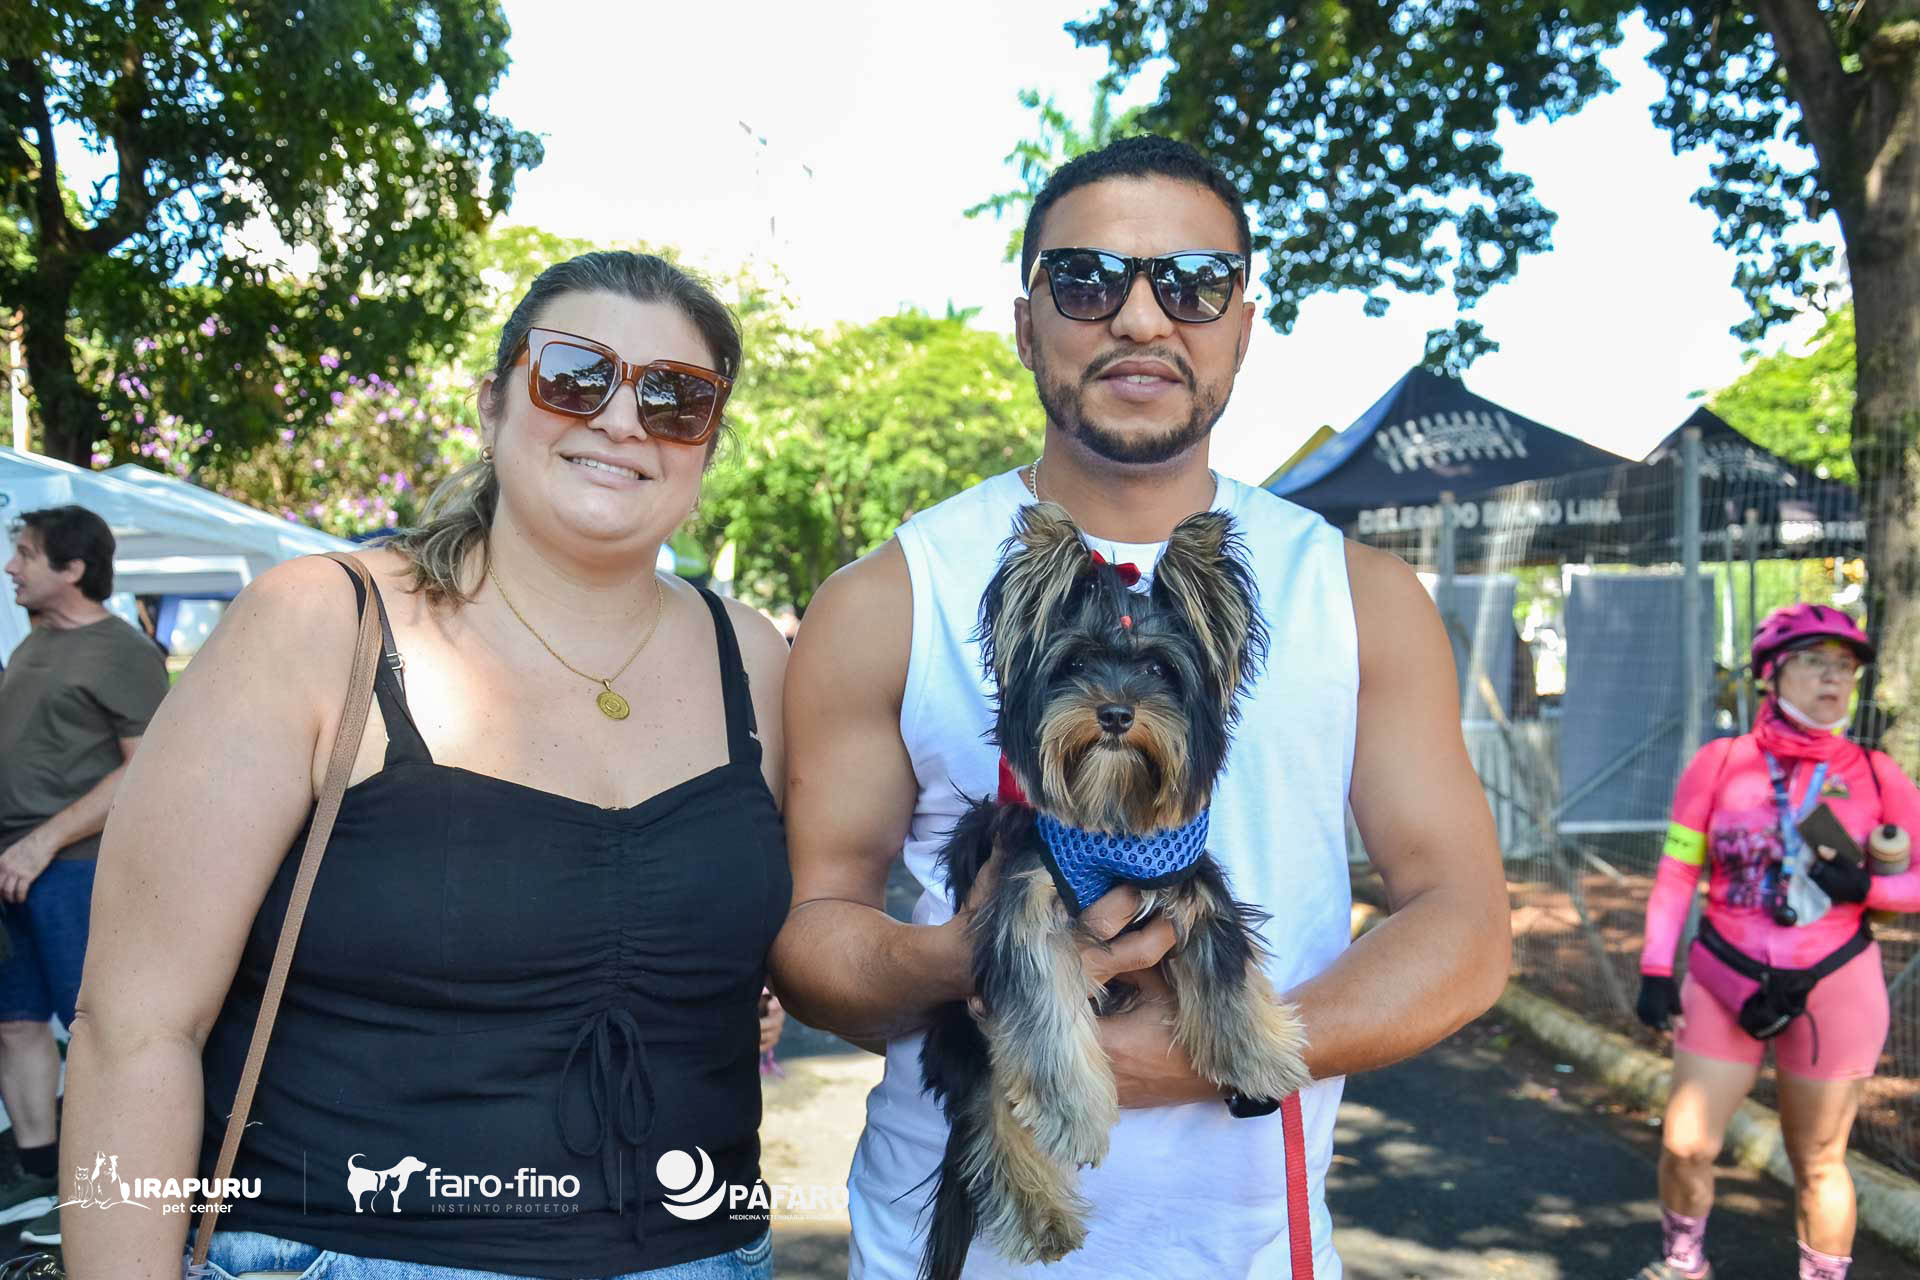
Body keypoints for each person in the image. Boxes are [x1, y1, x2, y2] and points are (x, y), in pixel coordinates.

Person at [769, 135, 1511, 1277]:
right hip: (947, 1251)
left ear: (1243, 327)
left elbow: (1464, 925)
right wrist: (970, 960)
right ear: (1027, 323)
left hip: (1251, 1250)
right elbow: (812, 936)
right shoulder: (885, 597)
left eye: (1194, 283)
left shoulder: (1359, 596)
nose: (1141, 316)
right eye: (1086, 279)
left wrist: (1210, 1054)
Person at [61, 252, 793, 1279]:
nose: (624, 420)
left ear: (707, 440)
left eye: (676, 398)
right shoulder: (319, 624)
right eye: (576, 375)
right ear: (493, 403)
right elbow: (134, 1030)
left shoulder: (750, 655)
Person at [1634, 604, 1920, 1280]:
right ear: (1771, 673)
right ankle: (1683, 1264)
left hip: (1835, 982)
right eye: (1815, 662)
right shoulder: (1719, 763)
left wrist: (1869, 888)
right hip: (1724, 975)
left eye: (1845, 667)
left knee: (1819, 1161)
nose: (1834, 678)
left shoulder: (1878, 773)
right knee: (1685, 1145)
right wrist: (1655, 967)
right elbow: (1678, 870)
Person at [0, 505, 168, 1245]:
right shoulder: (36, 639)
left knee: (97, 1030)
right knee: (15, 1024)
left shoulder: (123, 650)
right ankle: (38, 1172)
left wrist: (43, 843)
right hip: (13, 866)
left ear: (72, 569)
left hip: (75, 869)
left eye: (26, 554)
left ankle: (115, 1184)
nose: (12, 567)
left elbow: (147, 771)